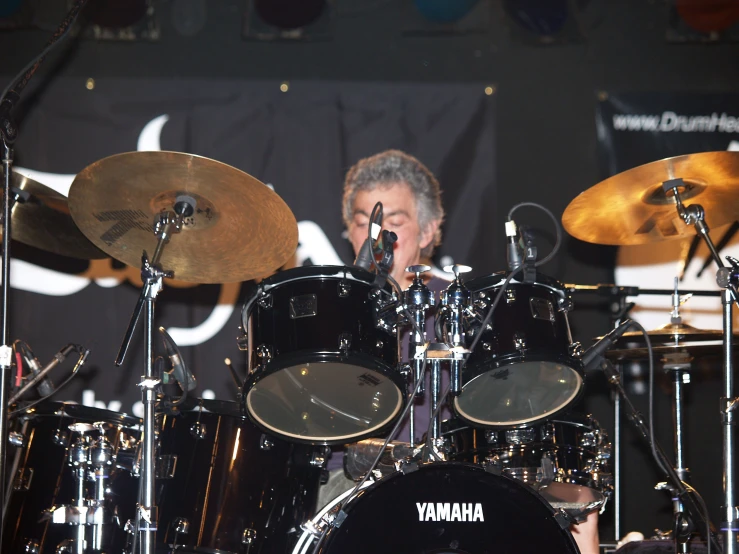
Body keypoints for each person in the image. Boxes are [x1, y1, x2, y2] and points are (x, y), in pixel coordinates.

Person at [321, 149, 600, 554]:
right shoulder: (332, 311)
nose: (377, 237)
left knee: (576, 507)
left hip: (455, 481)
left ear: (429, 230)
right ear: (349, 232)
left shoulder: (467, 308)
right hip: (349, 482)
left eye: (394, 223)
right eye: (364, 224)